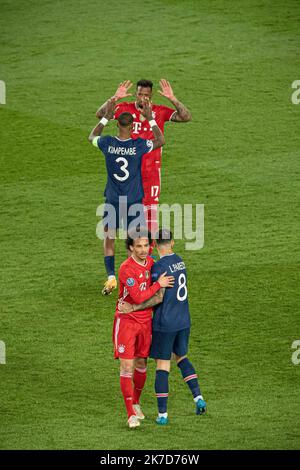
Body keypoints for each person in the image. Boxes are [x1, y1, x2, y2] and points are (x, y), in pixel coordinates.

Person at [118, 229, 207, 425]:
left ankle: (162, 415)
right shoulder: (180, 260)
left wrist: (133, 306)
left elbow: (156, 297)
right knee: (181, 358)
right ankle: (198, 397)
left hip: (165, 323)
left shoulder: (158, 266)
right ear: (172, 242)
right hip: (183, 320)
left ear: (155, 245)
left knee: (162, 365)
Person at [95, 79, 192, 236]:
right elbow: (100, 114)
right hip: (130, 174)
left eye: (146, 95)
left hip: (151, 172)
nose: (142, 98)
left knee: (151, 213)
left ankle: (149, 252)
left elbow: (186, 117)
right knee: (131, 213)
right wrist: (115, 98)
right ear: (136, 94)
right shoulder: (124, 109)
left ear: (151, 95)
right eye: (139, 94)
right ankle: (134, 250)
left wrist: (173, 99)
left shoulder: (159, 111)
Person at [88, 99, 165, 295]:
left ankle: (111, 277)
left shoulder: (107, 143)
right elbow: (160, 140)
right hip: (133, 201)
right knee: (137, 240)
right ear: (132, 126)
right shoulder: (138, 145)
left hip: (113, 200)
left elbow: (92, 136)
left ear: (117, 124)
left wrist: (105, 116)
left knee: (109, 237)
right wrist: (151, 119)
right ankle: (138, 276)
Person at [114, 228, 174, 428]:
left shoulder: (152, 263)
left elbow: (157, 298)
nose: (142, 250)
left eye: (146, 245)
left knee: (141, 364)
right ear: (131, 247)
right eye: (138, 246)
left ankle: (137, 402)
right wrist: (158, 284)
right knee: (126, 366)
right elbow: (140, 297)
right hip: (127, 322)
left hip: (145, 321)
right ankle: (130, 413)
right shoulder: (126, 269)